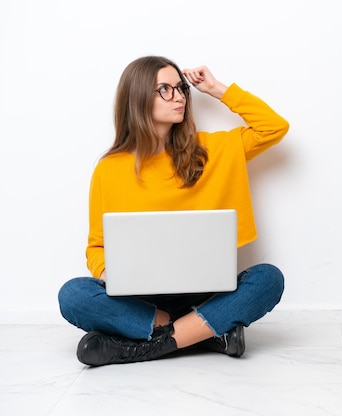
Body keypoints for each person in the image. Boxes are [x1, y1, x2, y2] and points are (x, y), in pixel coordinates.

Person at [58, 56, 289, 366]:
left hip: (205, 293)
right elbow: (96, 247)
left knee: (268, 279)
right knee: (73, 295)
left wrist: (216, 88)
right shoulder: (109, 169)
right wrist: (110, 275)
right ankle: (205, 331)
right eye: (164, 89)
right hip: (140, 300)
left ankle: (145, 346)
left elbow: (274, 128)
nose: (179, 96)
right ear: (138, 98)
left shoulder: (213, 150)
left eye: (180, 88)